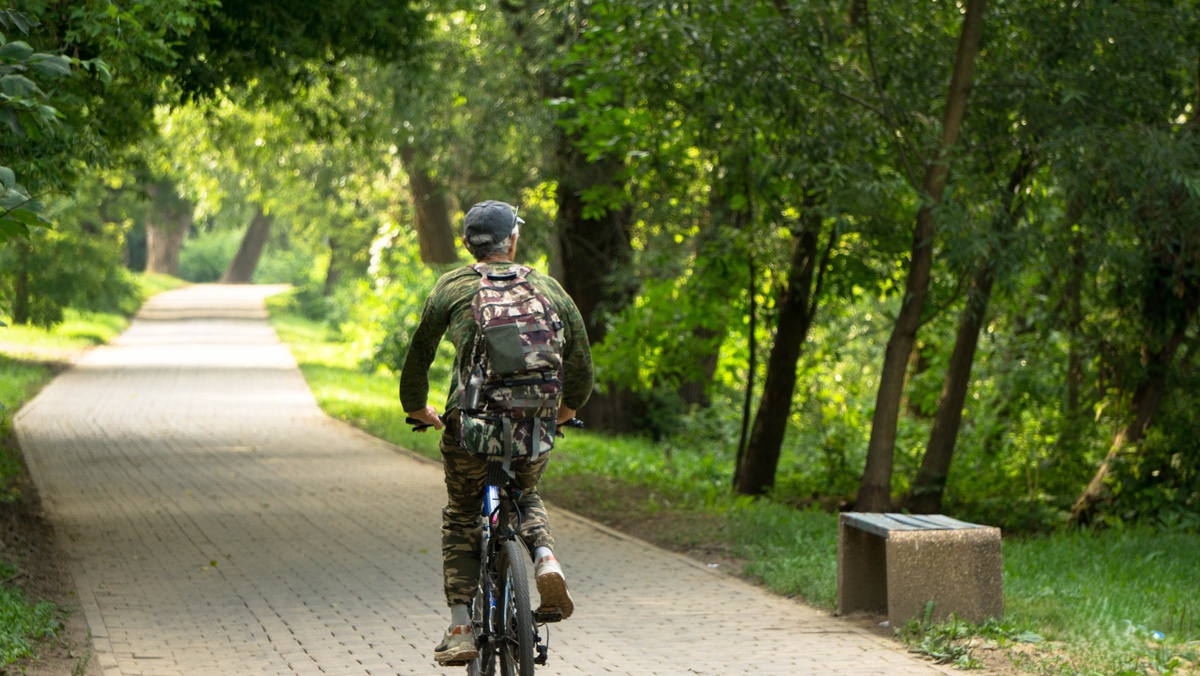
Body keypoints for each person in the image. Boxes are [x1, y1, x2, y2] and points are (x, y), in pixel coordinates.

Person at [400, 200, 593, 666]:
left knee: (463, 514)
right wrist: (562, 412)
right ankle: (545, 557)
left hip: (469, 428)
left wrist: (417, 409)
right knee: (525, 494)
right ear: (512, 241)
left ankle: (462, 625)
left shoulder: (453, 286)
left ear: (468, 244)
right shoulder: (548, 288)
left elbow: (418, 356)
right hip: (532, 427)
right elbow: (581, 368)